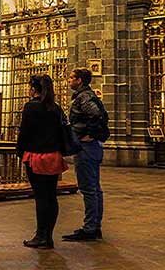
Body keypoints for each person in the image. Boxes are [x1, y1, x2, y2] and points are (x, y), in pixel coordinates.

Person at [16, 74, 67, 249]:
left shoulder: (31, 107)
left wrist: (19, 152)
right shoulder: (56, 108)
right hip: (53, 156)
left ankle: (40, 236)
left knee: (41, 197)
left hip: (36, 156)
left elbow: (24, 133)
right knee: (51, 196)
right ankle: (49, 237)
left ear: (33, 89)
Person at [62, 68, 108, 242]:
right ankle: (94, 226)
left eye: (72, 77)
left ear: (79, 80)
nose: (69, 80)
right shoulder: (85, 96)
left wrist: (90, 134)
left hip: (86, 147)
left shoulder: (84, 97)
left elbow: (98, 115)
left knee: (89, 189)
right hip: (91, 146)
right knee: (94, 188)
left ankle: (90, 228)